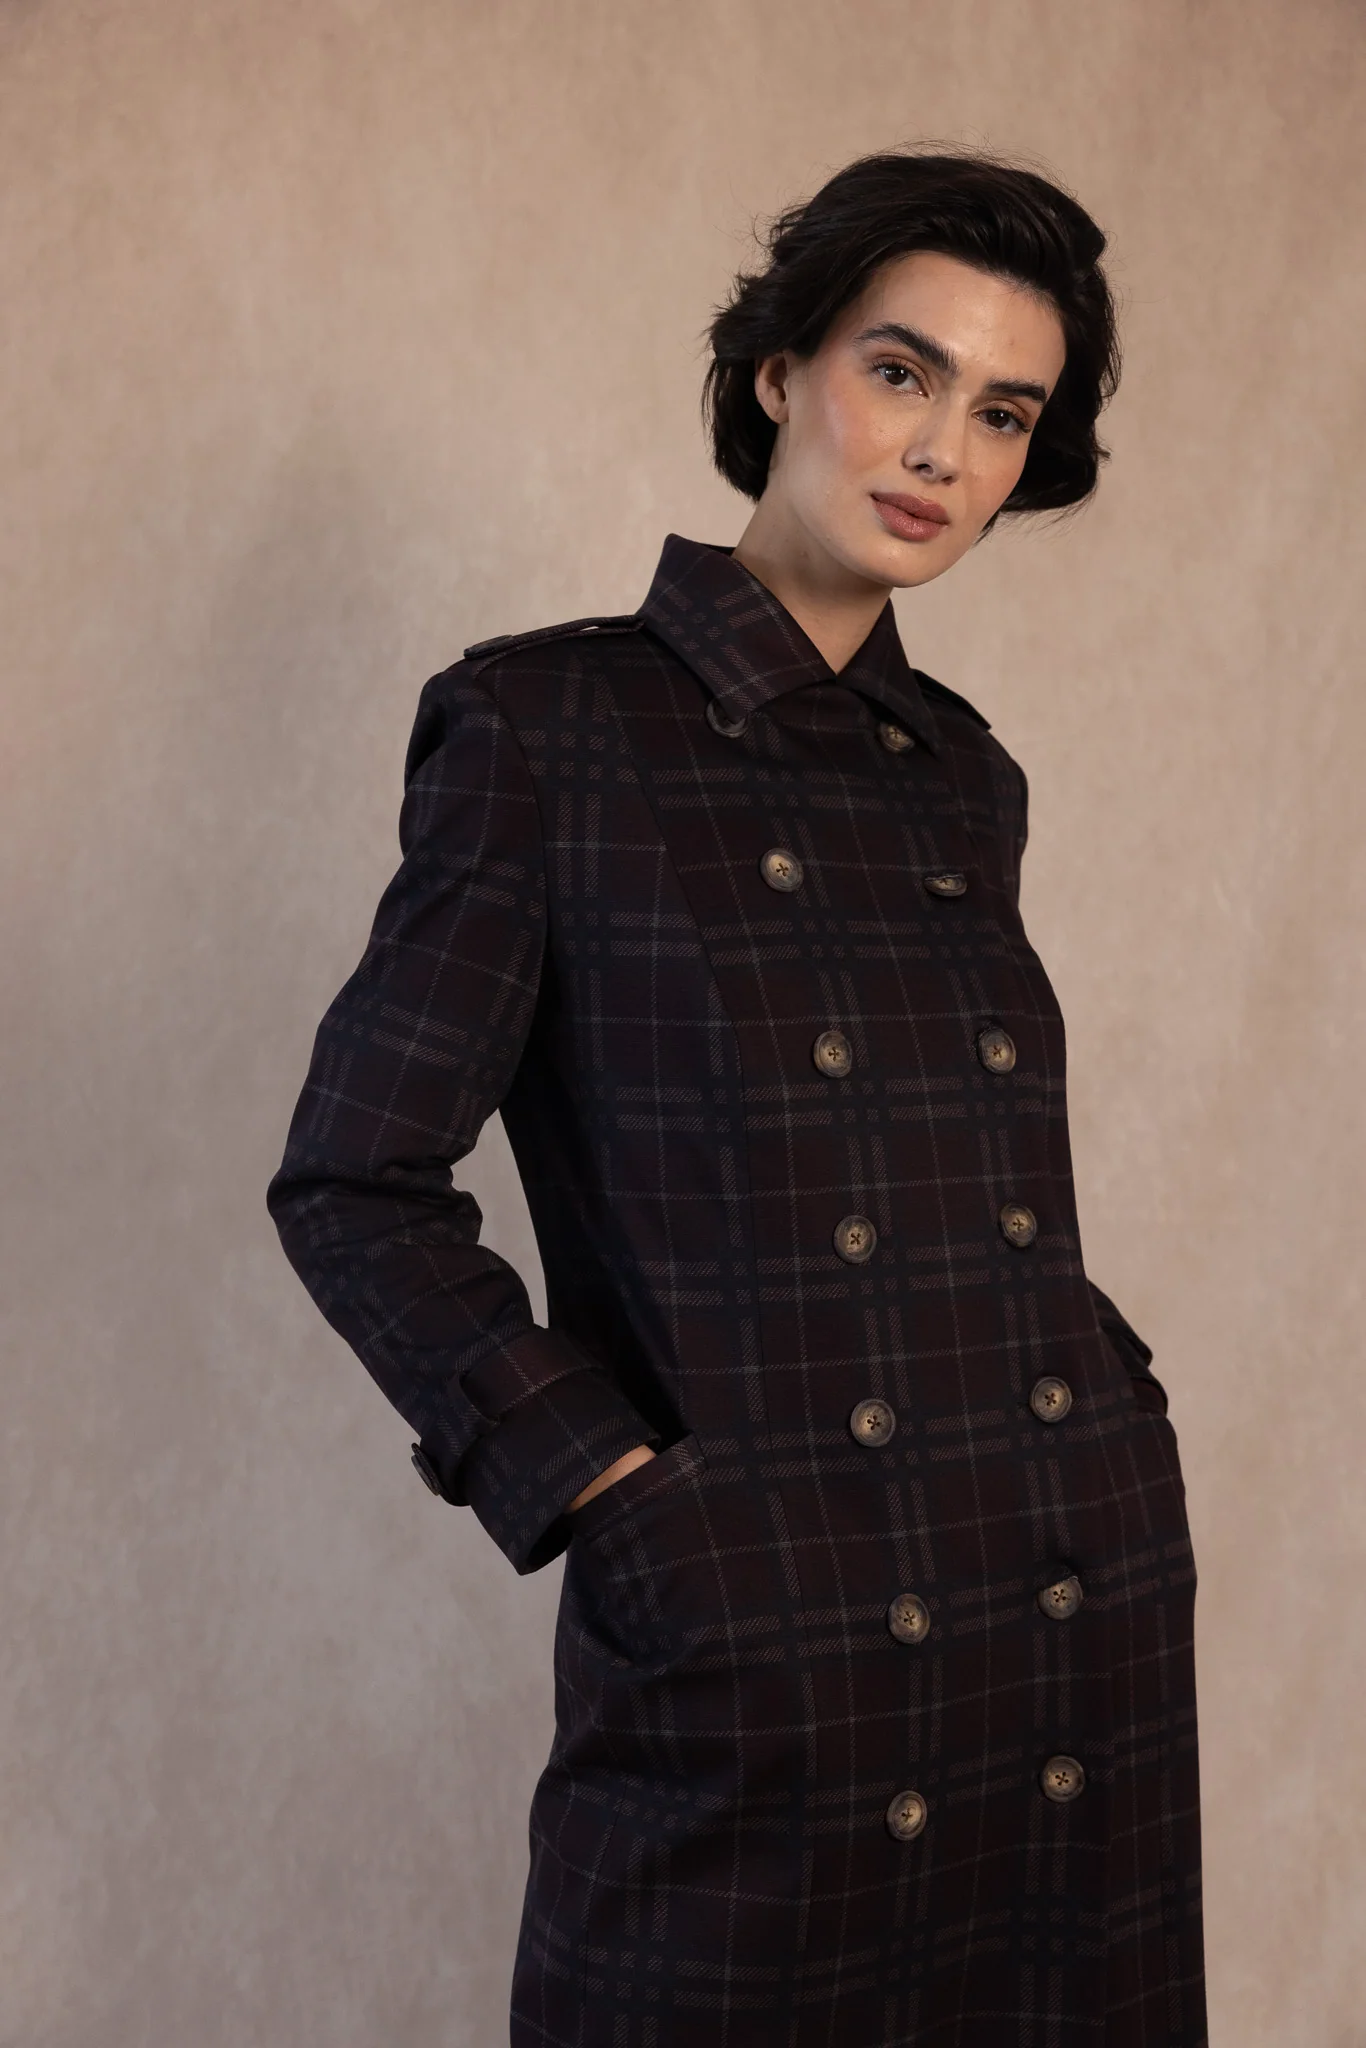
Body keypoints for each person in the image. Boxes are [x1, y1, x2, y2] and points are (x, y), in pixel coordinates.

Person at [268, 148, 1206, 2045]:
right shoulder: (546, 730)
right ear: (779, 371)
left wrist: (1101, 1381)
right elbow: (356, 1178)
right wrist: (606, 1486)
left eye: (1002, 412)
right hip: (767, 1628)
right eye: (899, 370)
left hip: (1058, 1596)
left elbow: (959, 1176)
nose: (939, 448)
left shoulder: (963, 776)